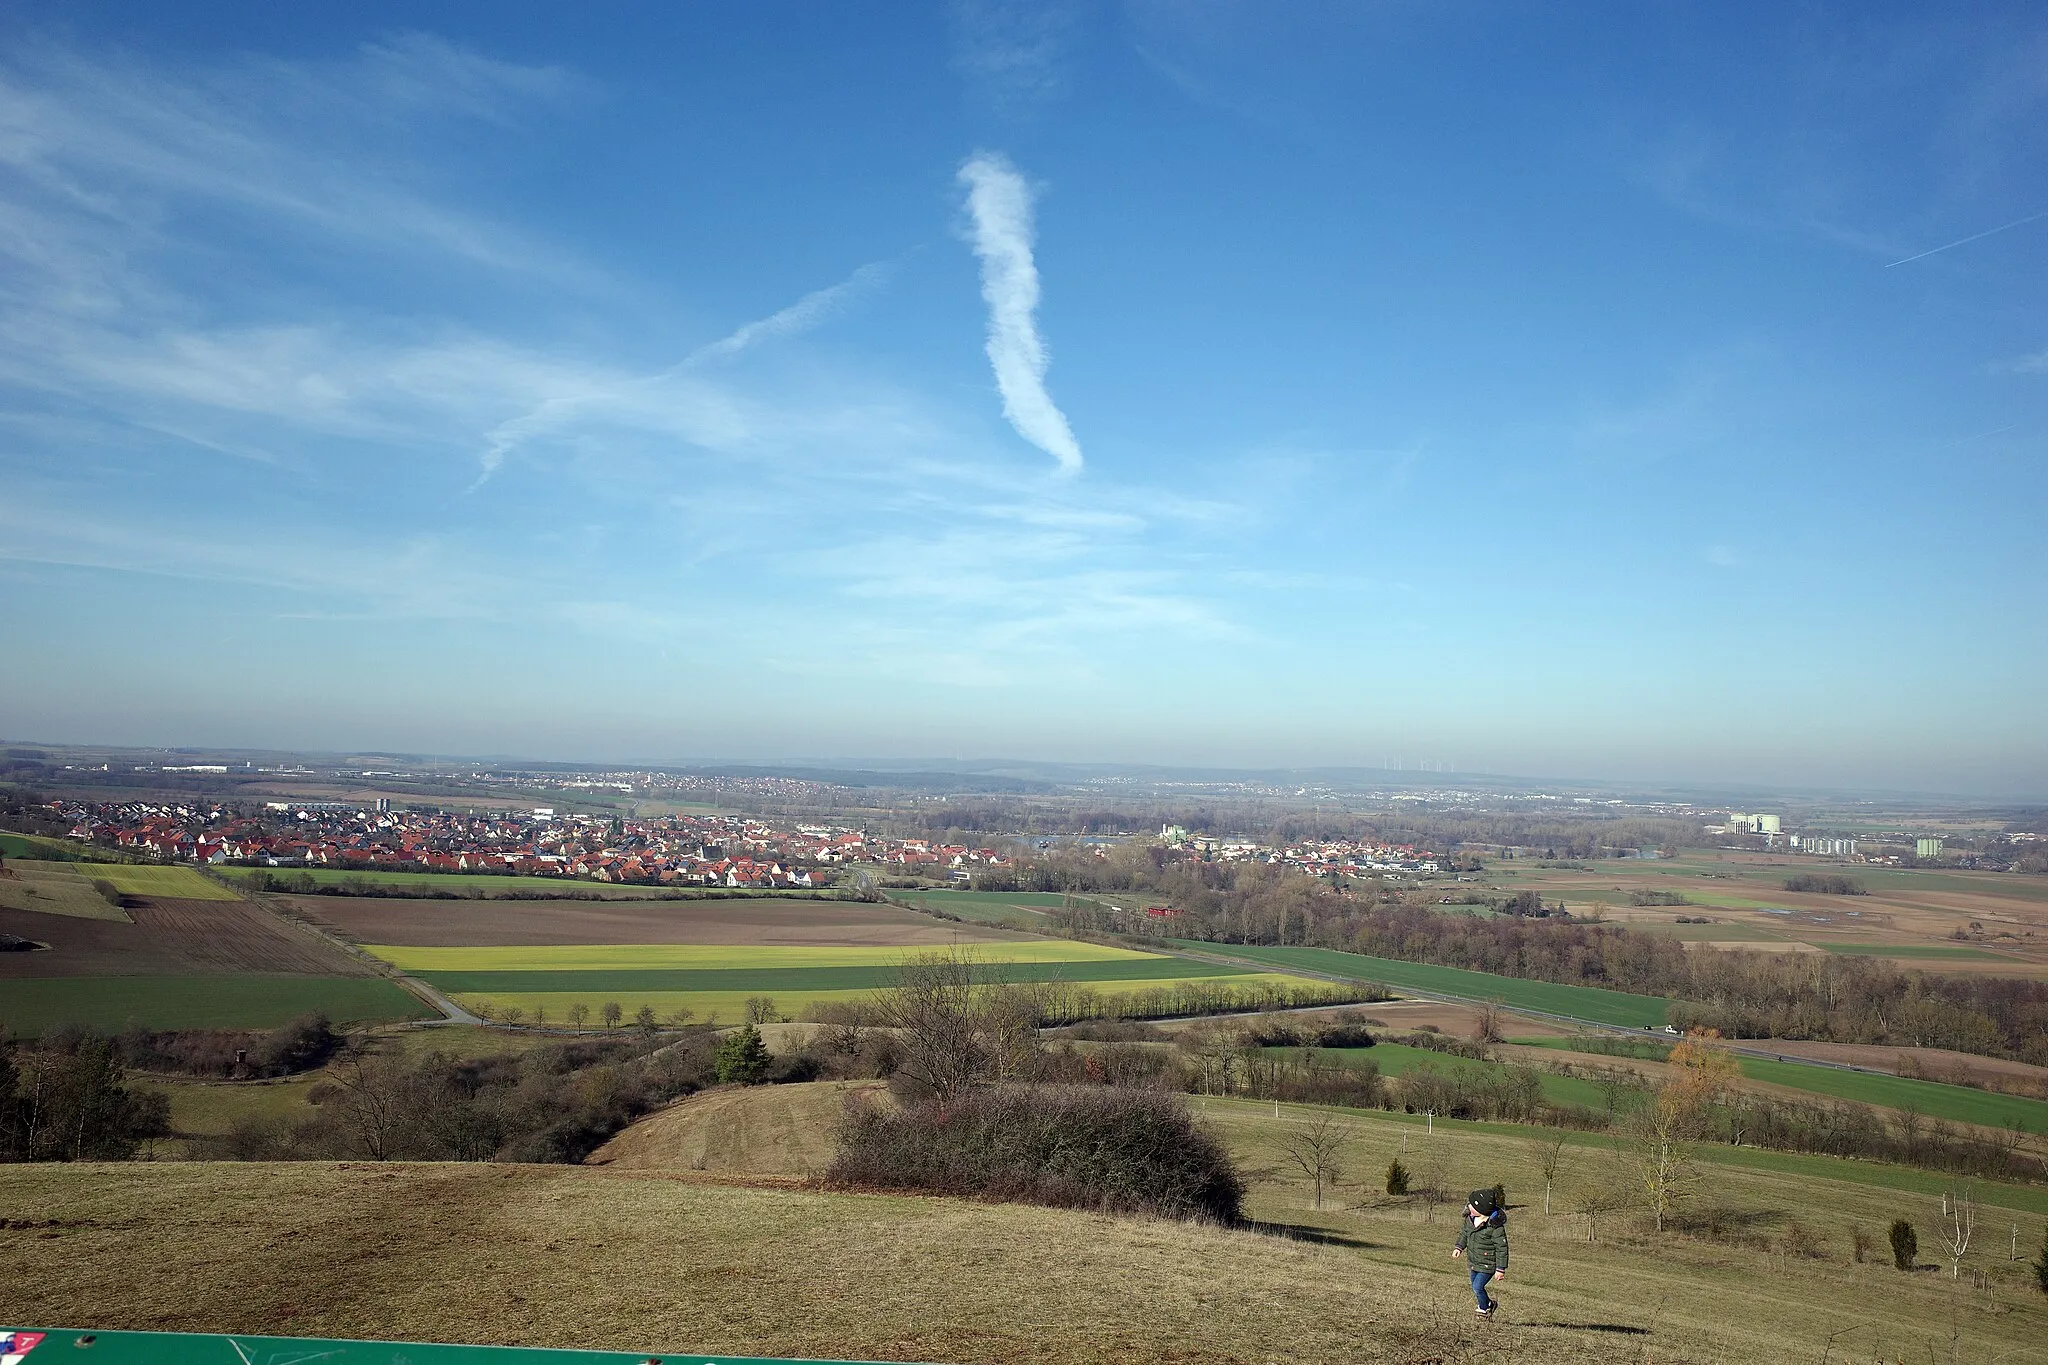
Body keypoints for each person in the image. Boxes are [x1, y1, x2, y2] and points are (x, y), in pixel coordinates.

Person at [1451, 1187, 1509, 1318]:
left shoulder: (1495, 1227)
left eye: (1472, 1205)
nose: (1468, 1206)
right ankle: (1489, 1304)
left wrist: (1500, 1269)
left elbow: (1502, 1248)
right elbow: (1464, 1234)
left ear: (1481, 1209)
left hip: (1488, 1264)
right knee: (1474, 1287)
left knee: (1477, 1287)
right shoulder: (1469, 1220)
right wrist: (1459, 1247)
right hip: (1474, 1261)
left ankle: (1483, 1309)